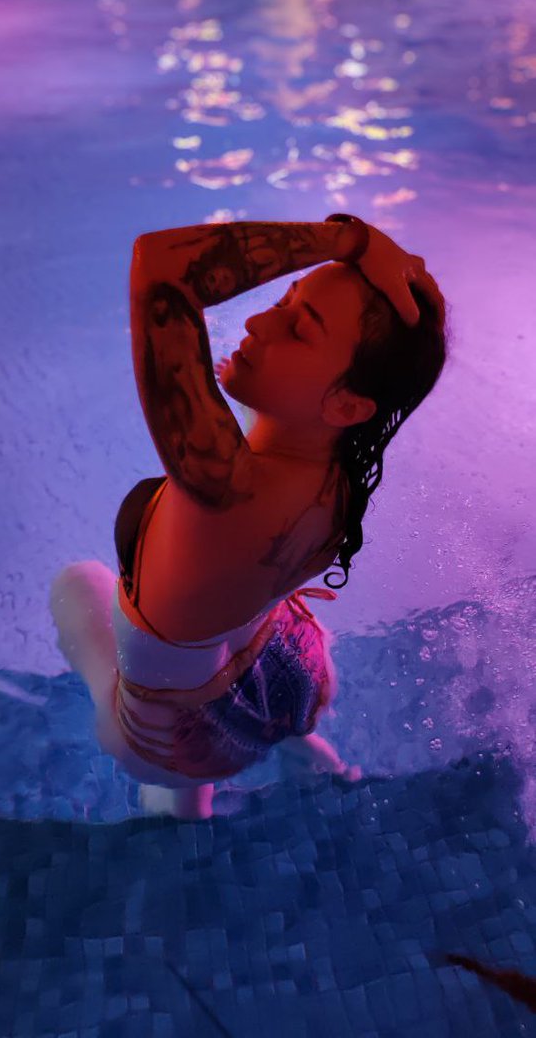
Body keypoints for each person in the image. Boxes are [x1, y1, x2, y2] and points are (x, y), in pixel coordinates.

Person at [49, 214, 448, 820]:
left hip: (182, 739)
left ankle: (184, 808)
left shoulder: (224, 486)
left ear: (347, 405)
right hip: (294, 670)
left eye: (299, 328)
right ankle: (307, 751)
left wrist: (353, 240)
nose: (260, 322)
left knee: (75, 586)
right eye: (285, 301)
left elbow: (164, 267)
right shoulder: (339, 476)